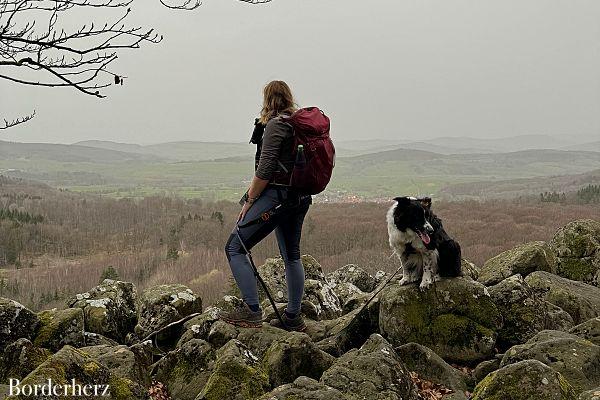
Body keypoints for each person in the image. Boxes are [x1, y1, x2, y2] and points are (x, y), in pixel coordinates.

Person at [219, 80, 312, 332]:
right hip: (300, 197)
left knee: (235, 247)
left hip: (278, 197)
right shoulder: (299, 124)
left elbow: (265, 170)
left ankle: (252, 311)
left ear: (267, 99)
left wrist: (249, 201)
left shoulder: (276, 125)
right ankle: (293, 316)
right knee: (292, 255)